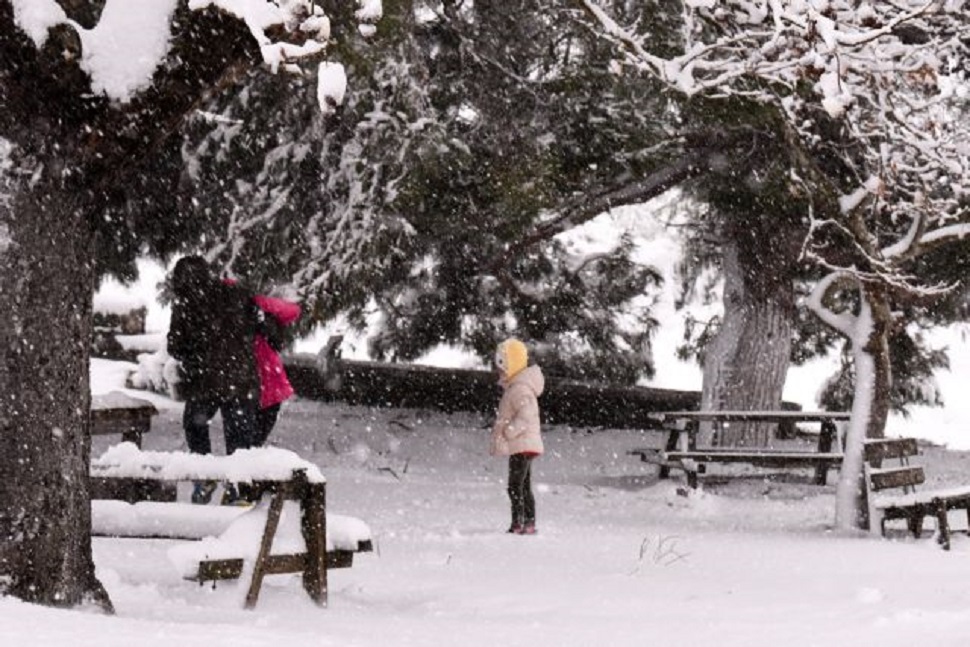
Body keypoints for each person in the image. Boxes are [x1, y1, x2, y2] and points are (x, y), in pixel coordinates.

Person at [166, 256, 260, 504]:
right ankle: (237, 488)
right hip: (242, 378)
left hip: (205, 380)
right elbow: (257, 324)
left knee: (195, 425)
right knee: (239, 434)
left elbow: (175, 346)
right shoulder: (235, 294)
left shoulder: (185, 303)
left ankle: (204, 474)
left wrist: (195, 353)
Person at [489, 338, 545, 535]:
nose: (500, 371)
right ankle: (526, 522)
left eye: (503, 366)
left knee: (515, 486)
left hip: (522, 444)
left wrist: (509, 431)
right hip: (523, 444)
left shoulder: (520, 389)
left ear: (512, 365)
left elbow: (527, 414)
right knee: (522, 485)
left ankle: (519, 523)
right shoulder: (516, 387)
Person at [250, 292, 301, 446]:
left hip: (268, 385)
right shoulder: (238, 316)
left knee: (253, 442)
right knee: (249, 442)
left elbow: (293, 311)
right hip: (257, 386)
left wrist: (257, 301)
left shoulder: (260, 311)